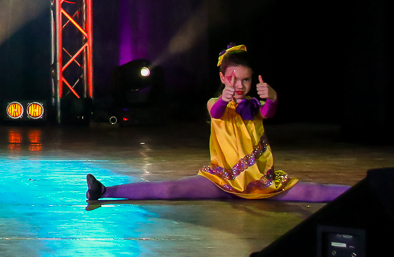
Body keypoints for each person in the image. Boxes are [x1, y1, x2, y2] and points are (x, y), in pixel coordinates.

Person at [86, 45, 351, 202]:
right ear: (223, 78)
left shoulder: (253, 106)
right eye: (233, 79)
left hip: (260, 183)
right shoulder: (215, 102)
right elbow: (217, 111)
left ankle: (363, 190)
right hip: (221, 180)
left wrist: (273, 98)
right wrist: (225, 99)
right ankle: (105, 190)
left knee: (313, 192)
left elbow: (268, 112)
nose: (239, 85)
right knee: (170, 188)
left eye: (245, 80)